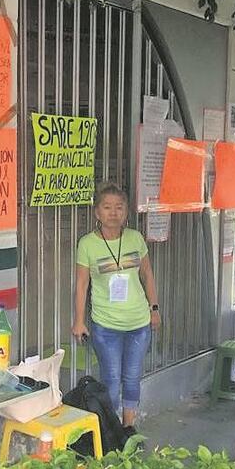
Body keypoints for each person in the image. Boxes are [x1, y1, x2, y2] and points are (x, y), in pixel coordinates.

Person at [72, 183, 161, 429]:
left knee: (132, 378)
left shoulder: (135, 238)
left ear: (126, 212)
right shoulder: (88, 244)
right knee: (111, 380)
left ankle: (128, 428)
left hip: (139, 322)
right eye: (107, 207)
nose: (113, 212)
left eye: (119, 207)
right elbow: (82, 284)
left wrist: (154, 309)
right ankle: (110, 430)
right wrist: (79, 320)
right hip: (106, 324)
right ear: (97, 212)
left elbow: (147, 275)